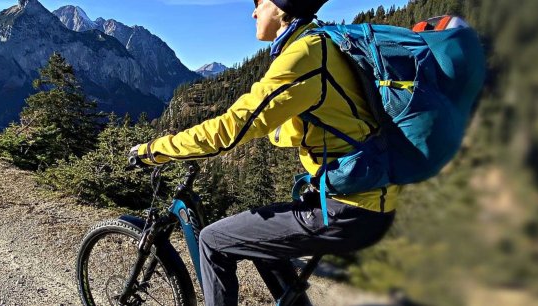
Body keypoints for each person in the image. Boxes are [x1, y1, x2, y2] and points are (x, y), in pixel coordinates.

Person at [128, 0, 400, 305]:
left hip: (348, 209)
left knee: (212, 241)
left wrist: (156, 149)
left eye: (260, 3)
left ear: (283, 7)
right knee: (262, 241)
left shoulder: (305, 55)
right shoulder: (320, 41)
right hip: (363, 197)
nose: (253, 12)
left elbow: (228, 130)